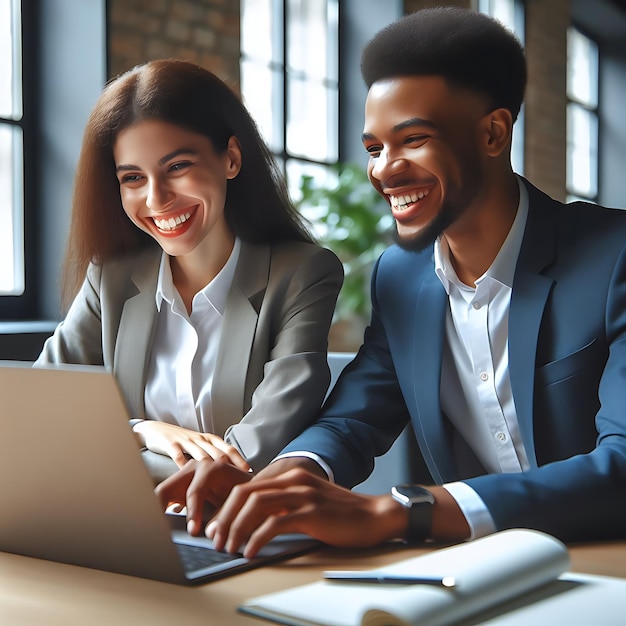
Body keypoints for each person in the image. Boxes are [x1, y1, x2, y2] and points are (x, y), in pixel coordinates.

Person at [156, 7, 626, 556]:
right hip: (482, 570)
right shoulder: (400, 276)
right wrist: (284, 477)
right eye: (375, 149)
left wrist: (399, 511)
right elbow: (356, 415)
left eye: (414, 139)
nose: (383, 171)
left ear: (493, 133)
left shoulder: (612, 257)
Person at [36, 59, 343, 485]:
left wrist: (113, 457)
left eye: (177, 167)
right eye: (132, 178)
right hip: (117, 526)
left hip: (239, 529)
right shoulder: (111, 279)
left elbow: (251, 458)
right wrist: (140, 431)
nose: (157, 199)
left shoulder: (302, 275)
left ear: (231, 158)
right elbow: (37, 412)